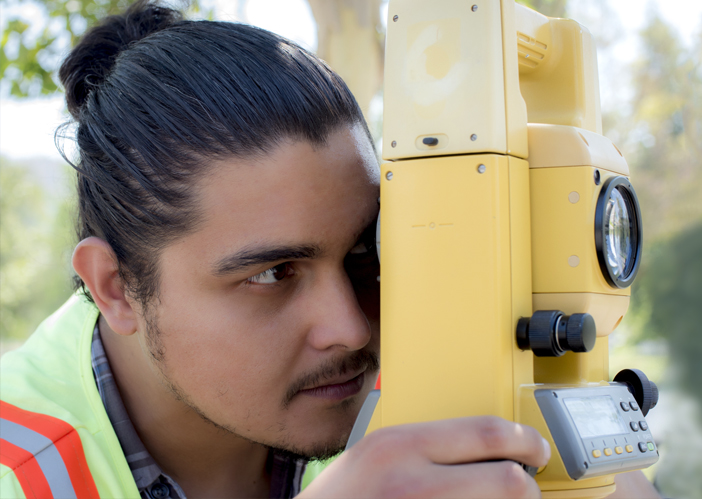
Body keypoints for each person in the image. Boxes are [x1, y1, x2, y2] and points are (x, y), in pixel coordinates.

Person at [0, 1, 660, 498]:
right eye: (273, 273)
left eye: (366, 255)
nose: (350, 327)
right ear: (115, 287)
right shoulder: (21, 469)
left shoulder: (426, 366)